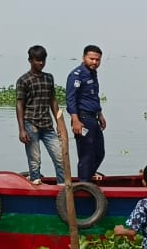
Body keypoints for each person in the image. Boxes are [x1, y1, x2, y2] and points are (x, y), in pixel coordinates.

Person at [15, 45, 65, 184]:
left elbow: (53, 101)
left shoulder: (49, 78)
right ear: (30, 60)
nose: (41, 63)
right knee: (35, 159)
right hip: (30, 124)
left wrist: (60, 124)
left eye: (43, 60)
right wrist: (21, 129)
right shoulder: (23, 80)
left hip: (47, 125)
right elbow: (19, 105)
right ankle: (36, 183)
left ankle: (62, 186)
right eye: (38, 60)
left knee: (60, 156)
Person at [65, 45, 106, 181]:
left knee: (99, 153)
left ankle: (87, 178)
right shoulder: (76, 75)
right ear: (84, 58)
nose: (94, 62)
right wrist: (75, 120)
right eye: (91, 59)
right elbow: (70, 99)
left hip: (93, 118)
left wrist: (100, 115)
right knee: (86, 154)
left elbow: (94, 96)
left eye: (97, 60)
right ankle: (84, 183)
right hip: (82, 118)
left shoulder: (93, 74)